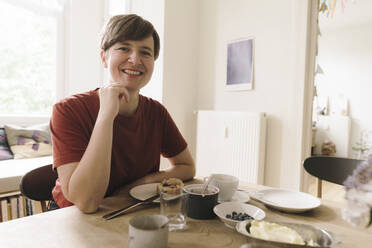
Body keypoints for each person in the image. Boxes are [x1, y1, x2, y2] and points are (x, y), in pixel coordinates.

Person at [50, 14, 195, 213]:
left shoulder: (156, 112)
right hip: (72, 217)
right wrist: (106, 116)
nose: (135, 60)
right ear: (104, 57)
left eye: (145, 52)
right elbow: (87, 202)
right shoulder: (67, 110)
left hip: (128, 208)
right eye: (124, 48)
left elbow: (187, 166)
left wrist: (144, 181)